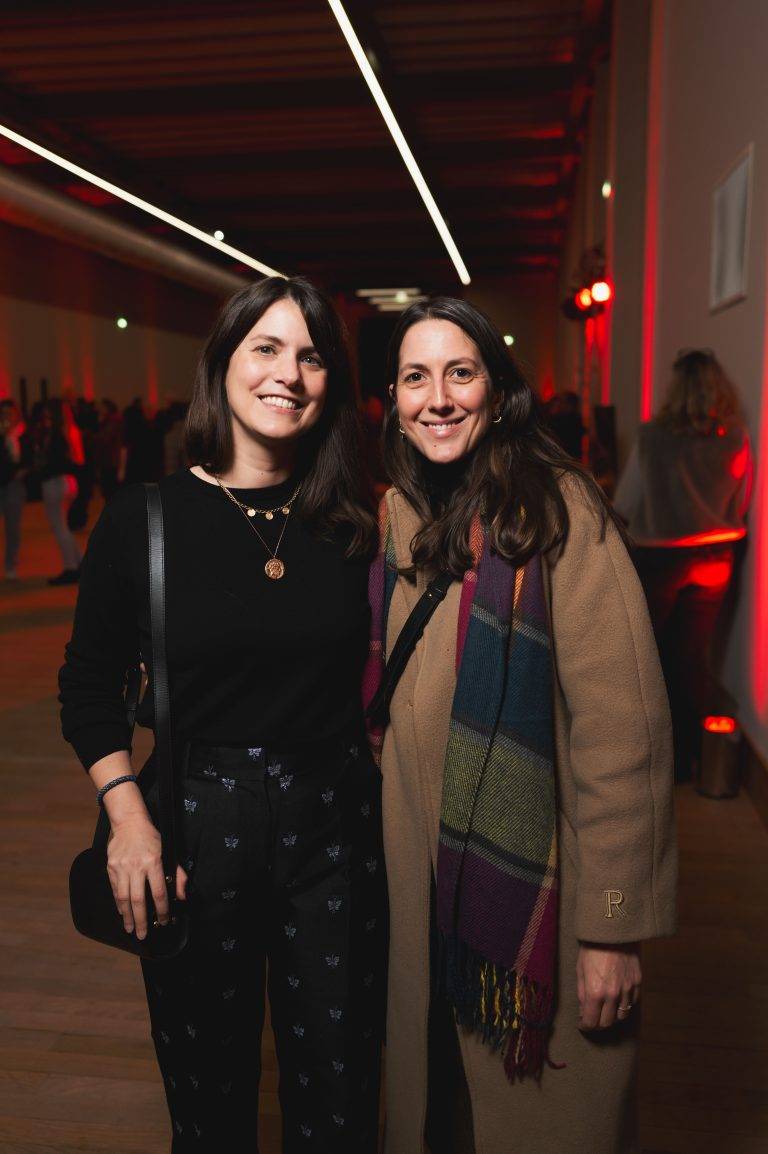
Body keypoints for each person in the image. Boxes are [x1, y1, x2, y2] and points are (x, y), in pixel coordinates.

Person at [59, 276, 385, 1153]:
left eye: (312, 355)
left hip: (335, 828)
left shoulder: (356, 524)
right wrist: (128, 819)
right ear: (224, 366)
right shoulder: (145, 520)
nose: (290, 373)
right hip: (197, 825)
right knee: (209, 1101)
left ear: (331, 384)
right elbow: (88, 686)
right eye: (267, 349)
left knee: (344, 1093)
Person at [363, 297, 677, 1154]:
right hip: (421, 900)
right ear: (391, 397)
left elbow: (627, 737)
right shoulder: (397, 520)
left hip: (536, 899)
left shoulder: (557, 513)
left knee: (538, 1124)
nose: (438, 397)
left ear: (498, 392)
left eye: (460, 373)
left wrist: (612, 924)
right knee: (438, 1118)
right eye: (415, 377)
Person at [614, 348, 752, 780]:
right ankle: (688, 757)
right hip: (716, 554)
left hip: (660, 554)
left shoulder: (654, 437)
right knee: (691, 657)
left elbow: (628, 500)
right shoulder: (735, 437)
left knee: (647, 654)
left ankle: (650, 758)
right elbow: (741, 500)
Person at [32, 398, 84, 585]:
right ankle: (79, 563)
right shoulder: (67, 431)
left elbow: (54, 463)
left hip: (56, 483)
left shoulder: (55, 435)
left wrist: (38, 471)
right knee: (63, 527)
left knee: (59, 526)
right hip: (67, 482)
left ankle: (71, 567)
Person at [0, 398, 30, 578]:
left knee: (13, 528)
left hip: (13, 486)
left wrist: (23, 471)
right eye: (3, 414)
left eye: (9, 414)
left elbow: (28, 459)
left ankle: (10, 564)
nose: (6, 417)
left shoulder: (22, 435)